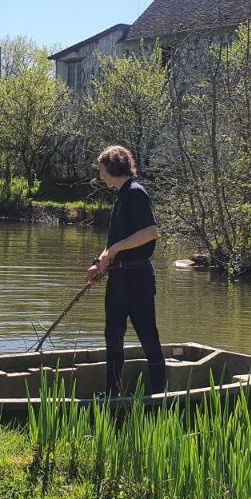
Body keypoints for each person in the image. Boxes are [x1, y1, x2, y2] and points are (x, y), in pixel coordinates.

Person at [86, 145, 166, 397]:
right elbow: (118, 240)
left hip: (138, 278)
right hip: (119, 277)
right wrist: (101, 261)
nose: (100, 175)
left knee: (146, 334)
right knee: (113, 335)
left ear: (112, 167)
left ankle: (158, 393)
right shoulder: (121, 195)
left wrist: (115, 249)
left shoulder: (135, 193)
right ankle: (112, 394)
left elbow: (150, 233)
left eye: (101, 170)